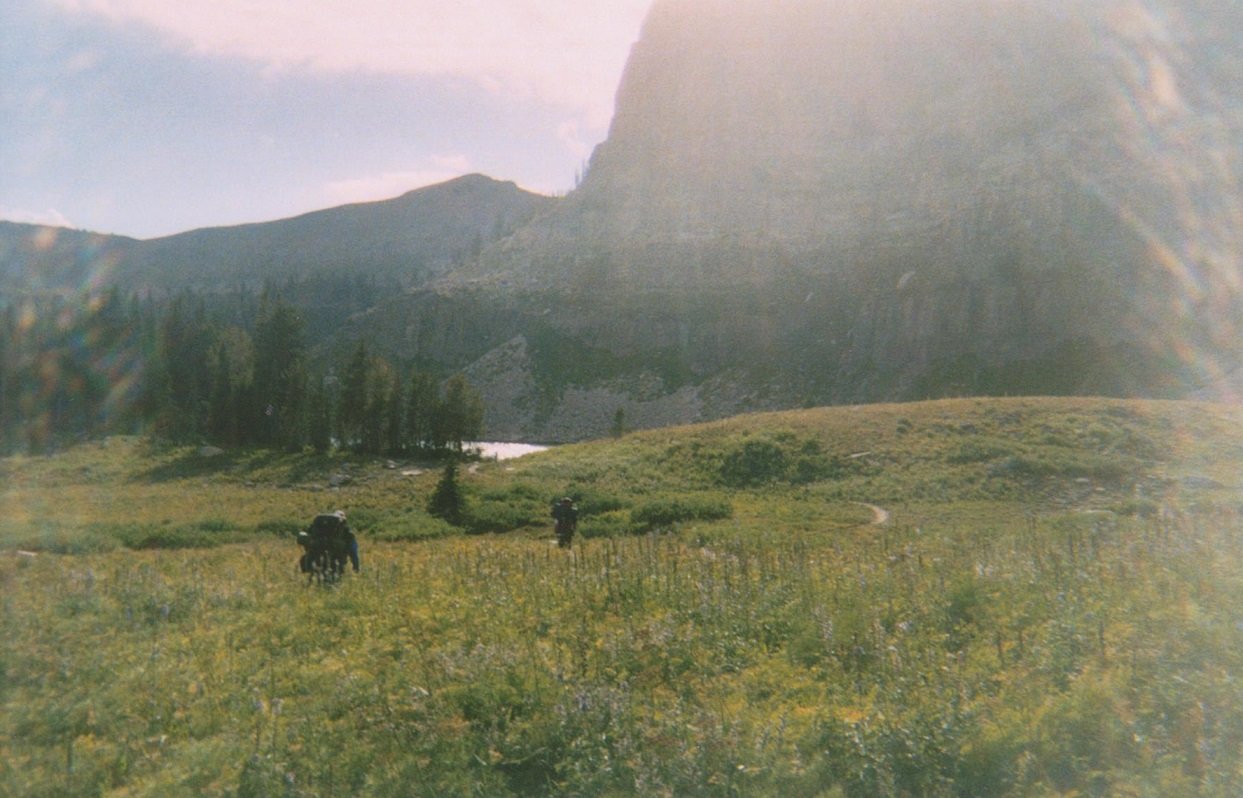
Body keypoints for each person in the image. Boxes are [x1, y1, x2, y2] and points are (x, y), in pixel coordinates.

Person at [297, 510, 359, 583]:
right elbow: (353, 551)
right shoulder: (347, 533)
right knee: (334, 582)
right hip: (337, 560)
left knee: (317, 580)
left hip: (317, 558)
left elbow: (308, 542)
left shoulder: (319, 530)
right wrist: (356, 566)